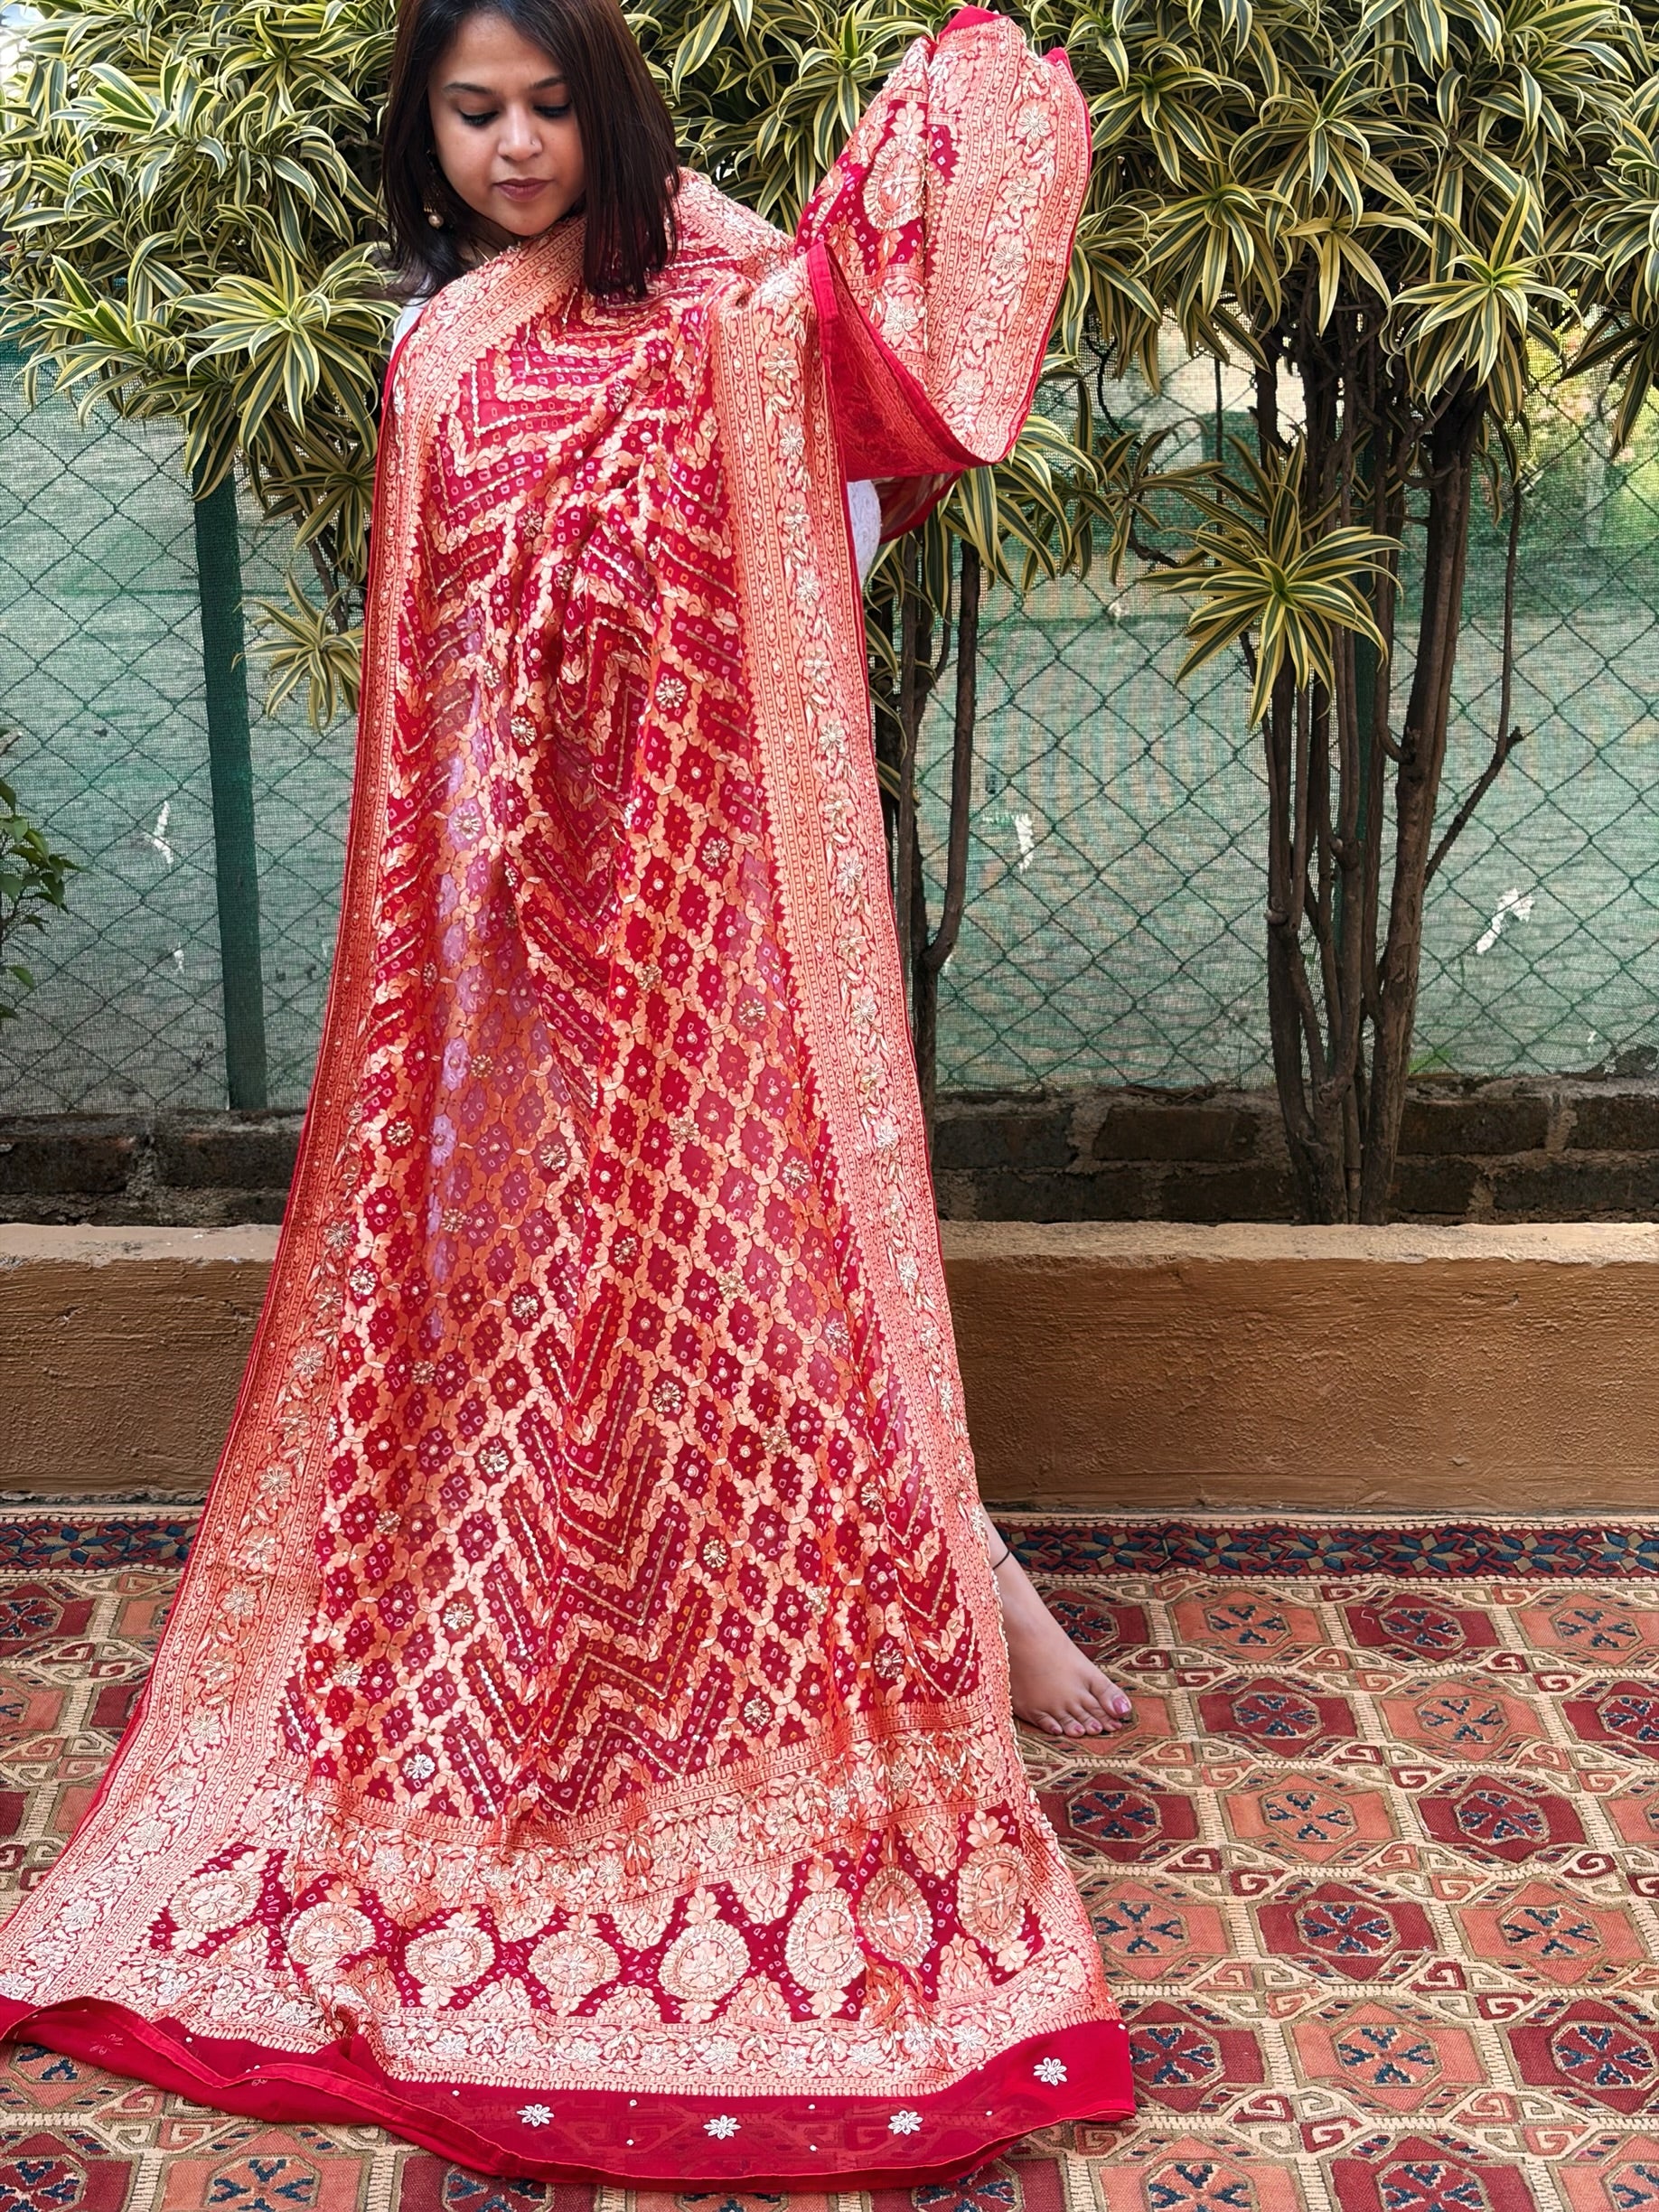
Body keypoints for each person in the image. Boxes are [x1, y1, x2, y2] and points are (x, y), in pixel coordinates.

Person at [0, 0, 1133, 2185]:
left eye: (545, 104)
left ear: (608, 106)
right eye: (473, 110)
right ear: (426, 131)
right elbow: (434, 680)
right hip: (507, 934)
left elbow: (891, 411)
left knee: (783, 1283)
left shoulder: (743, 298)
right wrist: (459, 930)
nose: (514, 143)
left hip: (719, 902)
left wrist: (972, 85)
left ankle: (953, 1585)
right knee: (515, 1307)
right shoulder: (438, 353)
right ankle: (551, 1644)